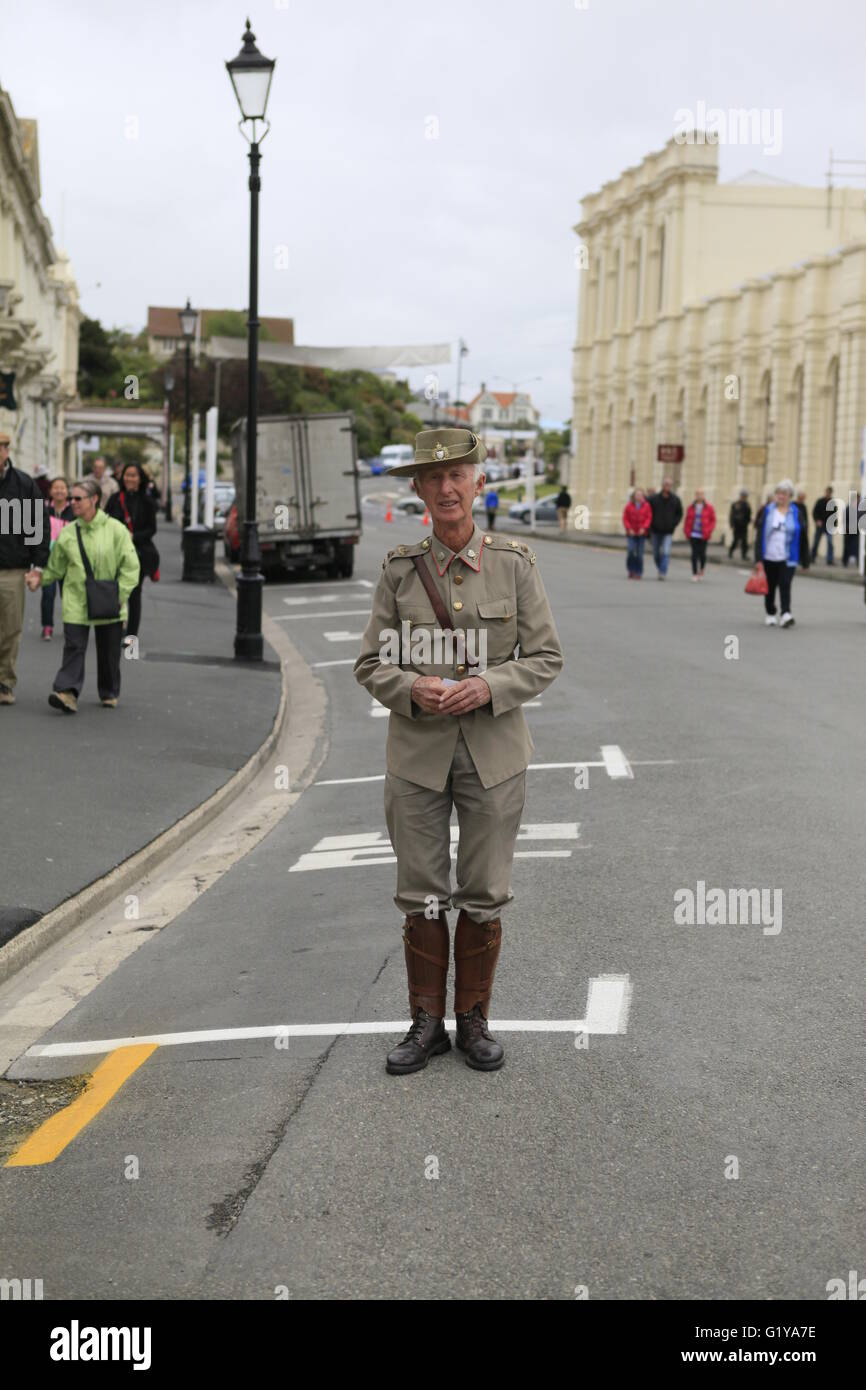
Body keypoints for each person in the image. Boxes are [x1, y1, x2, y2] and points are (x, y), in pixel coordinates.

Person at [354, 427, 563, 1075]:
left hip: (495, 754)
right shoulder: (398, 571)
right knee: (420, 891)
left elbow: (547, 657)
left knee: (484, 890)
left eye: (459, 476)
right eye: (433, 478)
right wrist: (413, 685)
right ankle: (425, 1024)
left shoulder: (514, 563)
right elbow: (370, 663)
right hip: (416, 753)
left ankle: (474, 1020)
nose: (447, 488)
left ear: (478, 483)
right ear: (417, 489)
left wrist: (489, 684)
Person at [26, 475, 140, 711]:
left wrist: (122, 595)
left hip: (110, 600)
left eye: (78, 498)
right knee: (74, 647)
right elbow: (55, 566)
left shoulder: (116, 530)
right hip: (76, 600)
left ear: (94, 499)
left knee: (109, 652)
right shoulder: (68, 534)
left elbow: (131, 567)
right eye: (71, 498)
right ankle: (67, 692)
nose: (73, 502)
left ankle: (109, 691)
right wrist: (39, 578)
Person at [0, 430, 50, 705]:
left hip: (11, 569)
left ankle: (4, 682)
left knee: (9, 629)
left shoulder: (23, 485)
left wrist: (38, 567)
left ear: (7, 451)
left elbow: (37, 527)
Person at [106, 461, 159, 645]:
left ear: (140, 479)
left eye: (133, 475)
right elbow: (105, 523)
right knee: (115, 593)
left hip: (139, 554)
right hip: (115, 554)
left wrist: (133, 535)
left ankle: (131, 638)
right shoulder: (114, 499)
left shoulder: (148, 502)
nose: (129, 479)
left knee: (134, 595)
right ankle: (117, 627)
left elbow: (152, 529)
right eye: (127, 475)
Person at [753, 479, 806, 628]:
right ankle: (770, 612)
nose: (781, 496)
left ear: (790, 496)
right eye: (779, 493)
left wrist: (805, 559)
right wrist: (758, 558)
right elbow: (760, 535)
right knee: (769, 586)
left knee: (785, 584)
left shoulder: (796, 513)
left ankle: (785, 613)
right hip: (769, 555)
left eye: (785, 493)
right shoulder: (768, 511)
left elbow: (802, 535)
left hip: (788, 556)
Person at [41, 476, 74, 639]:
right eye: (56, 487)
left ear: (68, 492)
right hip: (48, 559)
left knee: (67, 595)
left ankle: (70, 626)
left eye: (62, 488)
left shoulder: (74, 511)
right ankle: (47, 626)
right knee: (48, 594)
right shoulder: (44, 509)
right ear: (50, 491)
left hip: (68, 560)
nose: (59, 490)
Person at [649, 476, 683, 578]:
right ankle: (660, 567)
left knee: (666, 552)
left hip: (668, 531)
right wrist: (651, 524)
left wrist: (674, 523)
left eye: (670, 485)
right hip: (655, 530)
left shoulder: (675, 499)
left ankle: (662, 572)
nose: (668, 487)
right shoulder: (654, 499)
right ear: (662, 485)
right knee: (656, 553)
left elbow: (679, 513)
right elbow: (648, 512)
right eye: (666, 485)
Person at [684, 489, 716, 580]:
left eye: (701, 494)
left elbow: (712, 520)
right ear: (695, 495)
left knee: (702, 554)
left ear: (704, 496)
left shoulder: (709, 507)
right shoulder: (691, 507)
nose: (699, 496)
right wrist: (687, 532)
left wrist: (709, 530)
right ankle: (694, 573)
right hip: (693, 533)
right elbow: (687, 520)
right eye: (698, 494)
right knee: (694, 554)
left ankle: (701, 568)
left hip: (703, 534)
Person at [622, 487, 651, 578]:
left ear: (643, 496)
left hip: (641, 533)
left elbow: (648, 518)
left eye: (640, 495)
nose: (639, 497)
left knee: (639, 554)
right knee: (631, 551)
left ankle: (638, 572)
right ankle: (631, 570)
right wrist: (629, 528)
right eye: (637, 495)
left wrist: (644, 528)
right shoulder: (629, 506)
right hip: (631, 533)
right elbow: (625, 518)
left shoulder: (646, 506)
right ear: (634, 496)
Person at [811, 486, 834, 565]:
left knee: (830, 542)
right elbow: (814, 512)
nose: (827, 494)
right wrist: (817, 520)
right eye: (827, 492)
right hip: (820, 524)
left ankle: (829, 560)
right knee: (816, 541)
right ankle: (812, 557)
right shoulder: (820, 501)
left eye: (829, 492)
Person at [728, 490, 751, 560]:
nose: (743, 498)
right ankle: (730, 552)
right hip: (737, 525)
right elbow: (732, 515)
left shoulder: (747, 505)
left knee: (744, 541)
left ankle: (744, 555)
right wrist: (731, 524)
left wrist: (747, 522)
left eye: (745, 496)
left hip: (744, 526)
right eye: (743, 496)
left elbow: (748, 515)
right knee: (735, 540)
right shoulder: (735, 504)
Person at [843, 493, 860, 568]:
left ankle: (858, 562)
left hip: (856, 530)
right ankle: (845, 561)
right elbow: (844, 519)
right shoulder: (848, 508)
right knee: (847, 546)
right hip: (848, 530)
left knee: (856, 546)